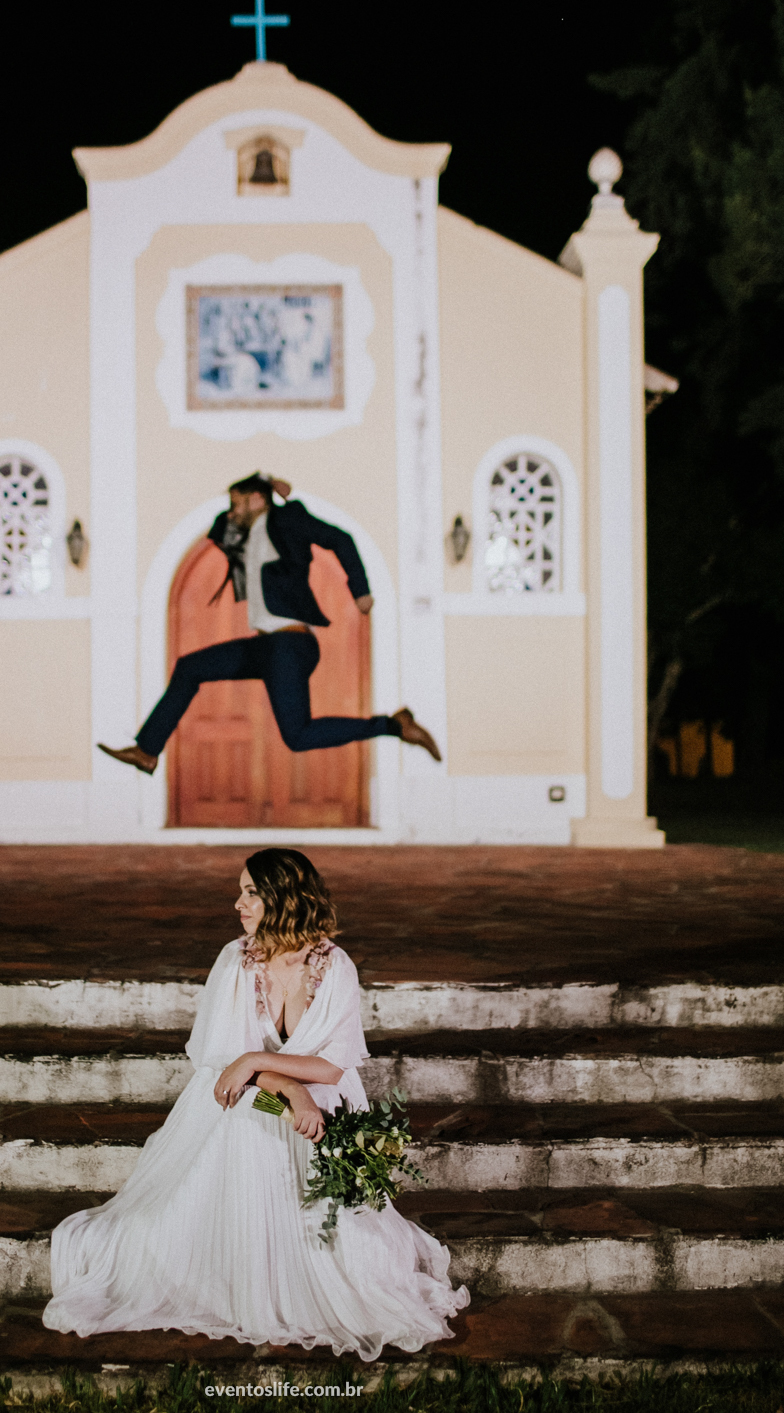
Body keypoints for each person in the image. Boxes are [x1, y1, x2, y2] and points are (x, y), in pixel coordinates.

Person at [43, 848, 470, 1360]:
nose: (238, 904)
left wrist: (268, 1070)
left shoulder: (334, 966)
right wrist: (285, 1088)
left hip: (324, 1099)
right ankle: (245, 1262)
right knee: (248, 1122)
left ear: (283, 898)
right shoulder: (237, 960)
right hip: (252, 1097)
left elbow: (333, 1067)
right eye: (241, 891)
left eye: (250, 892)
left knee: (331, 1182)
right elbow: (225, 1070)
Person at [97, 472, 442, 774]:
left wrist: (360, 591)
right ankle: (146, 751)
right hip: (266, 645)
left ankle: (395, 726)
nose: (232, 511)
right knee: (190, 667)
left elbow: (341, 539)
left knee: (298, 737)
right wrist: (255, 484)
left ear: (259, 498)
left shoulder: (288, 520)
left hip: (290, 644)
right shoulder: (243, 538)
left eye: (238, 502)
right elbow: (220, 530)